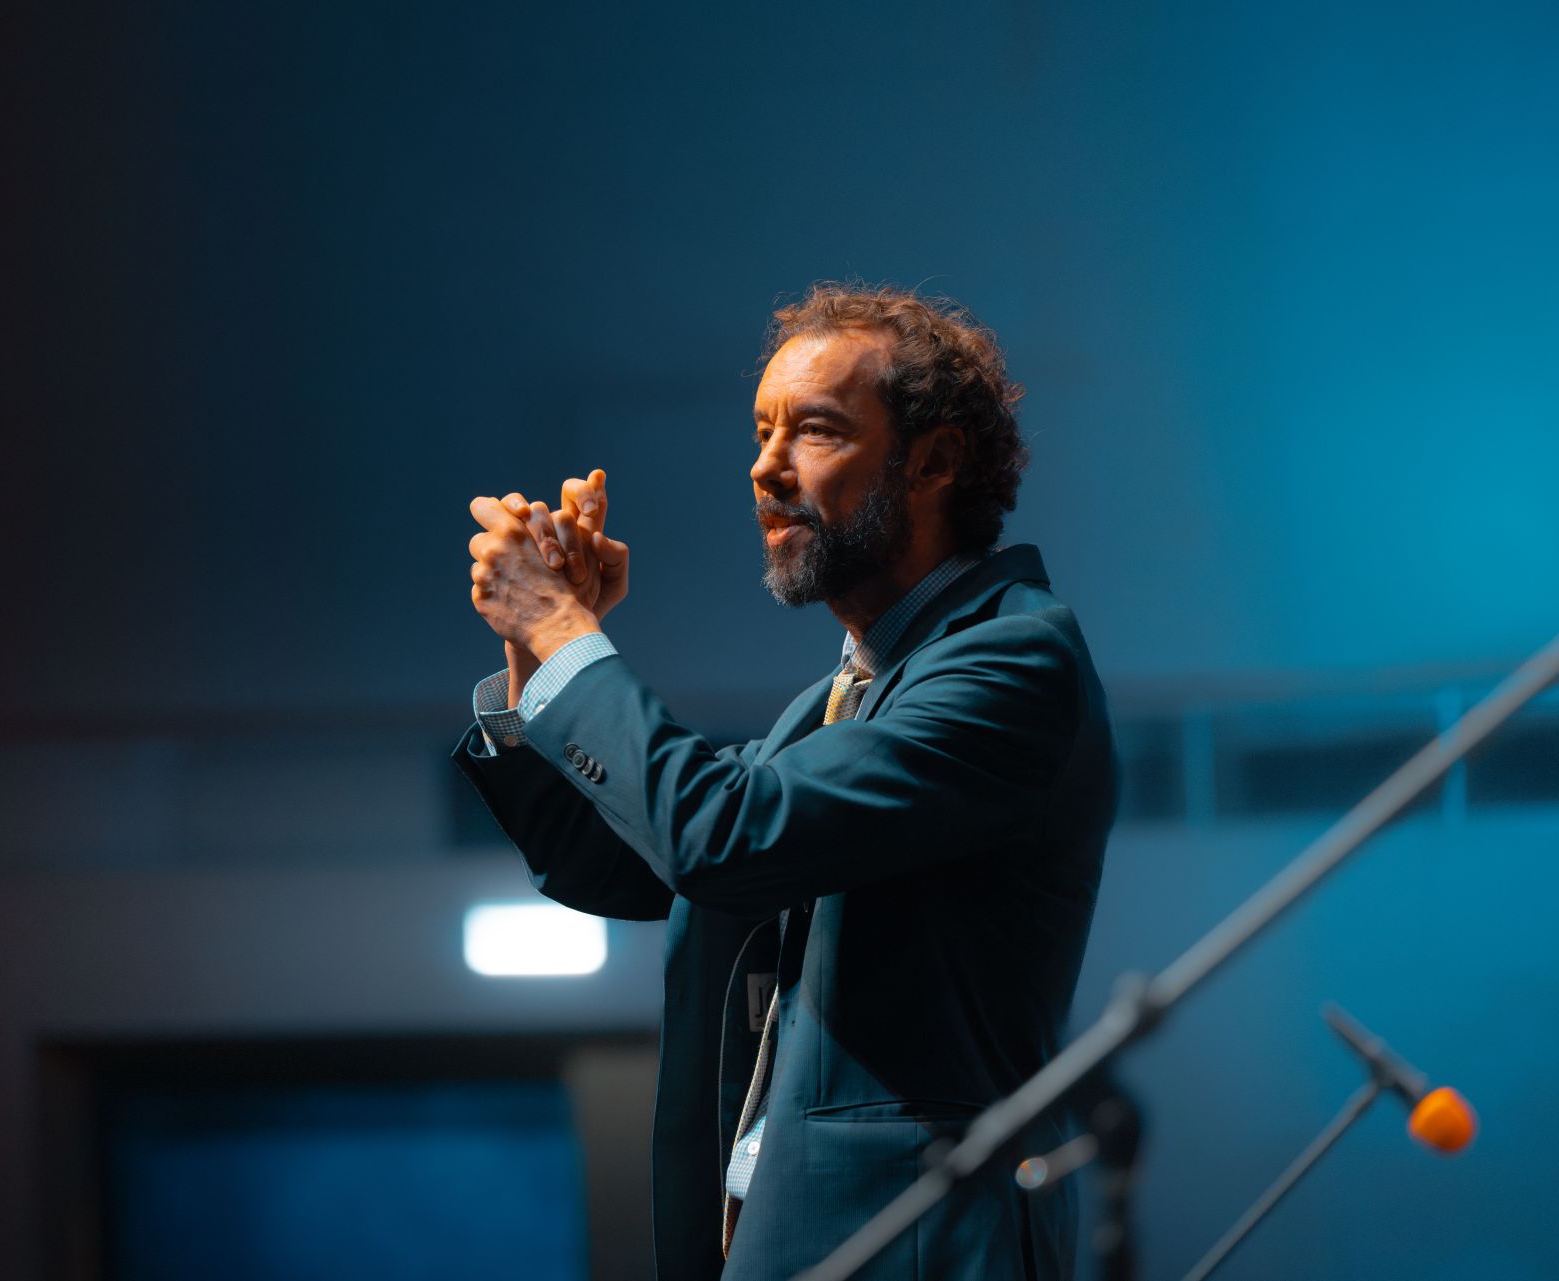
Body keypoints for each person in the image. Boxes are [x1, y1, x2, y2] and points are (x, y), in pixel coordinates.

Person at [452, 282, 1116, 1280]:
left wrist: (562, 628)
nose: (767, 467)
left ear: (932, 461)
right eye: (761, 433)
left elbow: (718, 837)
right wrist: (532, 656)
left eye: (814, 432)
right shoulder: (831, 704)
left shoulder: (1012, 661)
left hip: (915, 1254)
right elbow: (618, 861)